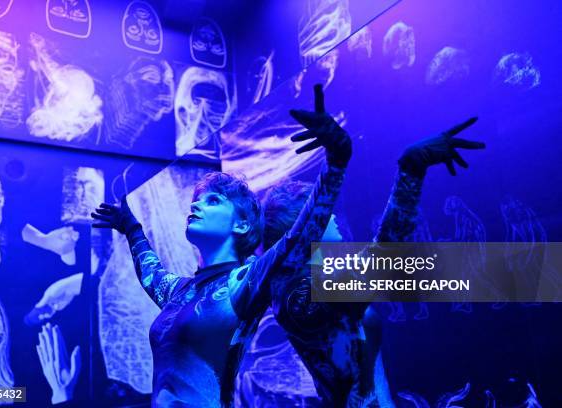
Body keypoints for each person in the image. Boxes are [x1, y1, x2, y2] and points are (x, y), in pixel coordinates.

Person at [91, 85, 352, 407]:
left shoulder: (246, 281)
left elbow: (299, 235)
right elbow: (151, 272)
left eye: (213, 201)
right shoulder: (180, 292)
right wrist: (131, 228)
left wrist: (336, 162)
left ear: (241, 224)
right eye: (196, 201)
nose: (197, 206)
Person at [259, 117, 485, 406]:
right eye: (324, 212)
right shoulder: (296, 295)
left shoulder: (320, 280)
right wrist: (412, 167)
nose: (334, 218)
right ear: (303, 226)